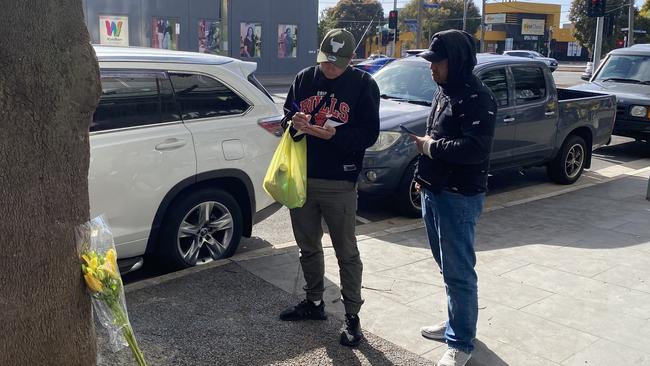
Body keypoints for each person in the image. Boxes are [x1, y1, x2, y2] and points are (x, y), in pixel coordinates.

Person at [278, 28, 380, 348]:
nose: (329, 68)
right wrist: (294, 124)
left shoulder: (364, 85)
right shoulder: (305, 78)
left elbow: (368, 135)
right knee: (307, 246)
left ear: (350, 60)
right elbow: (284, 117)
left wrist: (333, 136)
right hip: (302, 179)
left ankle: (352, 318)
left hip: (340, 181)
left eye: (336, 64)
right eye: (325, 61)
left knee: (346, 252)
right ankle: (314, 303)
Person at [410, 30, 497, 366]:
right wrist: (422, 177)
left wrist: (430, 148)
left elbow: (476, 149)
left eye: (438, 62)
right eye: (430, 62)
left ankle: (461, 342)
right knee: (447, 267)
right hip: (435, 191)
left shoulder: (477, 96)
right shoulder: (443, 92)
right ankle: (456, 324)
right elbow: (436, 132)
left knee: (459, 271)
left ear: (457, 61)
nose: (432, 68)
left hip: (459, 196)